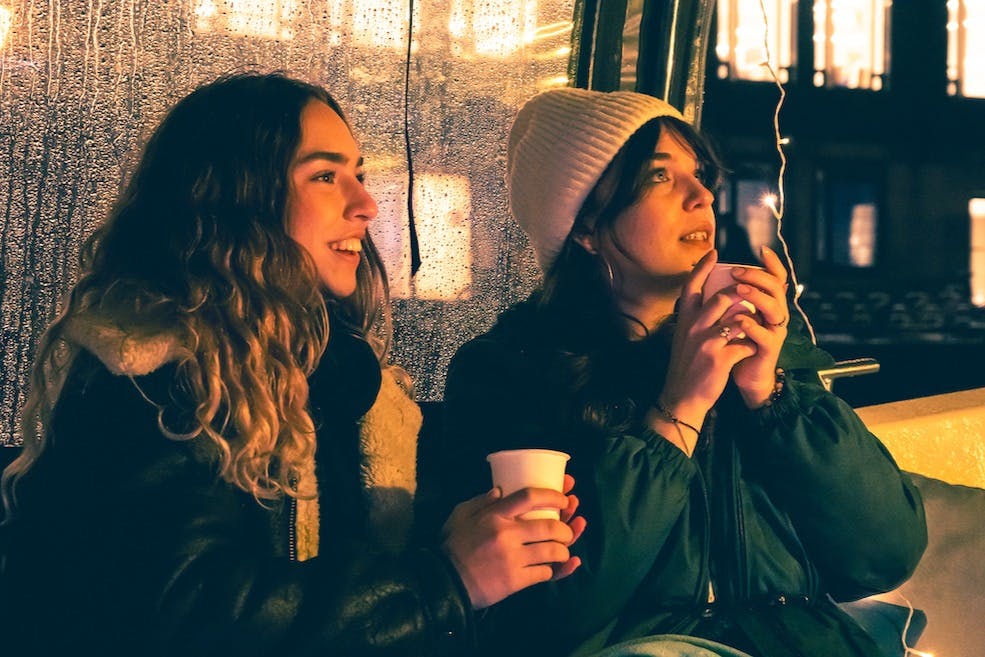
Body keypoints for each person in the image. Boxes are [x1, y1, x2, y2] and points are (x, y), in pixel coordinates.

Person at [0, 72, 585, 657]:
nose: (367, 203)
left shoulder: (338, 378)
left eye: (357, 173)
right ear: (241, 200)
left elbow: (342, 578)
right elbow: (178, 611)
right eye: (327, 176)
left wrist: (477, 550)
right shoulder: (155, 378)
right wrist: (444, 581)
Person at [417, 88, 927, 657]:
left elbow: (885, 557)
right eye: (660, 177)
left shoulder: (757, 347)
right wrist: (679, 408)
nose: (702, 194)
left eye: (700, 173)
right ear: (585, 226)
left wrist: (771, 395)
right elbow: (541, 619)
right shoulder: (511, 370)